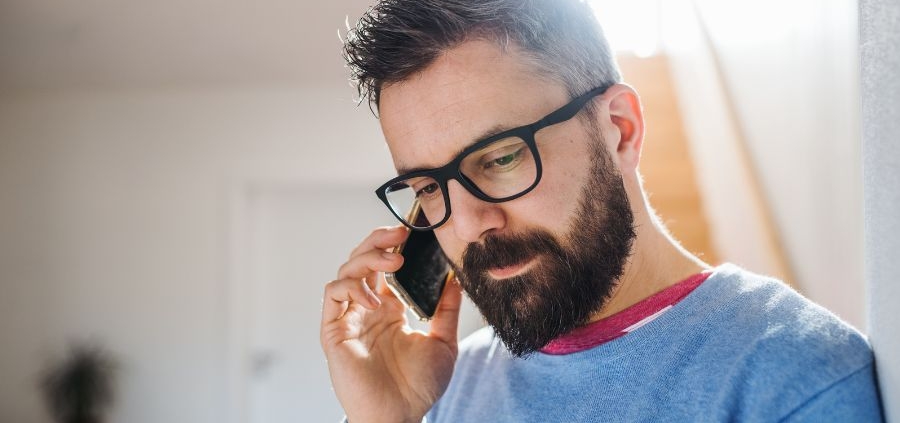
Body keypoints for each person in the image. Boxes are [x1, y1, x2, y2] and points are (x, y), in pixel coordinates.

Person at [320, 0, 884, 421]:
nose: (467, 225)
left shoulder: (792, 375)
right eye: (428, 188)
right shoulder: (442, 388)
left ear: (620, 129)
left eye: (501, 157)